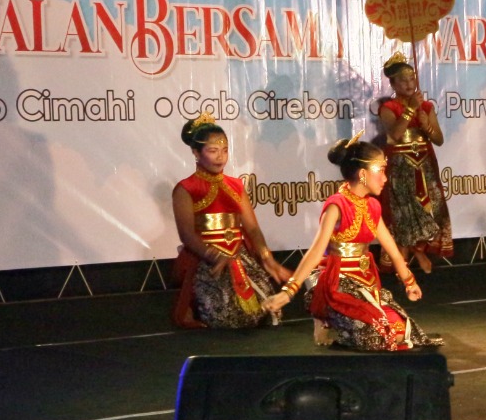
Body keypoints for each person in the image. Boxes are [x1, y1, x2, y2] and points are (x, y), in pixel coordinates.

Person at [260, 135, 440, 351]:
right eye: (381, 170)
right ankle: (325, 315)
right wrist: (287, 293)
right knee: (378, 337)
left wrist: (409, 281)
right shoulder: (337, 206)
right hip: (338, 283)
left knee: (399, 332)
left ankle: (339, 320)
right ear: (363, 174)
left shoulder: (372, 206)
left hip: (366, 282)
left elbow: (391, 247)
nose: (385, 178)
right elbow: (316, 252)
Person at [171, 114, 291, 328]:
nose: (220, 157)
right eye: (213, 151)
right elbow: (187, 235)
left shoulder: (235, 186)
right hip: (206, 258)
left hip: (238, 253)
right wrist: (215, 257)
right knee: (229, 319)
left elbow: (252, 228)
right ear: (196, 153)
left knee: (268, 313)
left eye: (225, 150)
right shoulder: (186, 188)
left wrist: (267, 259)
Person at [378, 52, 453, 272]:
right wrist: (410, 109)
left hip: (425, 166)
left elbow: (438, 139)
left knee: (430, 211)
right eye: (403, 80)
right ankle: (409, 264)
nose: (409, 84)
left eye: (412, 79)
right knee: (403, 214)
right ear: (393, 83)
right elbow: (395, 136)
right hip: (401, 167)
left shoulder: (427, 107)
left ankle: (418, 254)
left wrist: (426, 125)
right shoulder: (388, 108)